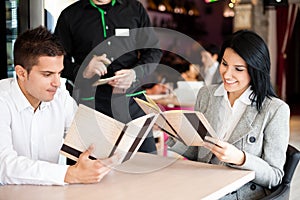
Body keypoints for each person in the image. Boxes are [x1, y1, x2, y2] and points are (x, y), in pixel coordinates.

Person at [167, 30, 290, 199]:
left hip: (239, 194)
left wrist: (240, 158)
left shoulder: (275, 109)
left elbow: (275, 176)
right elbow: (197, 153)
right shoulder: (207, 95)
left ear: (256, 70)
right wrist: (171, 131)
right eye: (224, 64)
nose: (227, 74)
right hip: (203, 186)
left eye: (238, 69)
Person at [0, 26, 116, 185]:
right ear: (21, 73)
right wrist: (70, 174)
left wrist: (113, 145)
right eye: (47, 74)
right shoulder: (2, 101)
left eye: (59, 73)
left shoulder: (60, 97)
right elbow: (4, 166)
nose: (56, 83)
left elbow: (86, 139)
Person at [54, 0, 162, 154]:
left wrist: (135, 73)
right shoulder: (70, 15)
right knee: (86, 167)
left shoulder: (134, 9)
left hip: (132, 104)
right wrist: (83, 70)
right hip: (88, 106)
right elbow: (56, 61)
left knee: (147, 164)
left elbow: (153, 51)